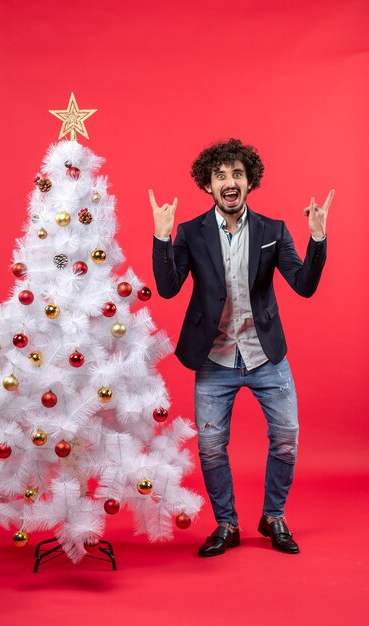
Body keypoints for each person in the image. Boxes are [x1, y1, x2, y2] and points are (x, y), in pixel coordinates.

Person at [150, 138, 333, 556]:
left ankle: (273, 517)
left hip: (265, 354)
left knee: (287, 436)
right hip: (213, 359)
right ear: (208, 185)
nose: (229, 182)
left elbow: (303, 286)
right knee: (212, 448)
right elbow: (167, 288)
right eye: (220, 176)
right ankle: (227, 524)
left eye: (237, 174)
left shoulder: (273, 231)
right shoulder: (191, 233)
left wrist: (317, 240)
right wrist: (162, 239)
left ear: (249, 182)